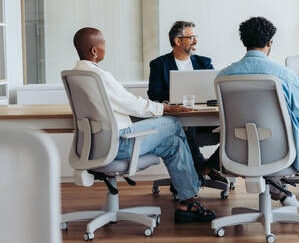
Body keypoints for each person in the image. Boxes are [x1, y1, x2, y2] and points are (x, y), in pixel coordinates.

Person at [72, 27, 215, 223]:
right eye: (103, 44)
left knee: (173, 143)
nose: (107, 48)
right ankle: (197, 175)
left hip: (94, 144)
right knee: (173, 124)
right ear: (94, 52)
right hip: (119, 142)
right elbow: (131, 104)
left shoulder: (77, 75)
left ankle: (186, 202)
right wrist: (166, 109)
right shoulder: (99, 76)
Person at [218, 17, 299, 222]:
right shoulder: (285, 75)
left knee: (259, 150)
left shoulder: (224, 75)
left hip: (239, 153)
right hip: (281, 150)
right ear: (269, 43)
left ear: (244, 42)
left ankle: (283, 195)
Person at [147, 21, 224, 182]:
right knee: (185, 128)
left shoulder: (204, 62)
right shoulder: (159, 64)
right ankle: (201, 167)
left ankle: (209, 166)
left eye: (195, 37)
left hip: (205, 117)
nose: (195, 41)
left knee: (233, 129)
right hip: (179, 118)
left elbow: (213, 90)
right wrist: (177, 96)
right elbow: (153, 93)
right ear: (178, 41)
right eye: (191, 37)